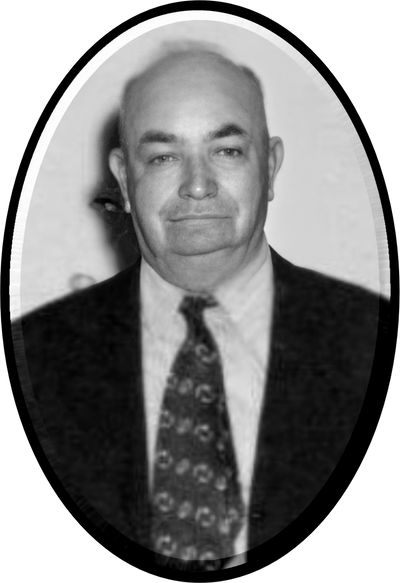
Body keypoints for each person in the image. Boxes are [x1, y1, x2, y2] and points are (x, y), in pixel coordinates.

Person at [12, 45, 389, 570]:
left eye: (227, 151)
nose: (196, 185)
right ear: (123, 179)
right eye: (163, 157)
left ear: (270, 166)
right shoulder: (34, 356)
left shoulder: (368, 337)